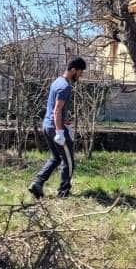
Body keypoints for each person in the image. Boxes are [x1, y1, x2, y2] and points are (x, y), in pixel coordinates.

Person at [29, 57, 86, 199]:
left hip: (47, 126)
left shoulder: (57, 82)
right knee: (69, 162)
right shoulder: (64, 86)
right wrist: (60, 132)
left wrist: (66, 123)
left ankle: (37, 183)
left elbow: (57, 109)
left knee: (56, 158)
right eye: (80, 72)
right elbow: (57, 110)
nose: (81, 75)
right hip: (55, 128)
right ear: (73, 70)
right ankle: (63, 192)